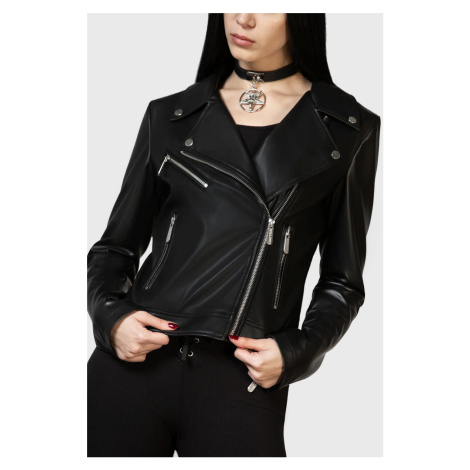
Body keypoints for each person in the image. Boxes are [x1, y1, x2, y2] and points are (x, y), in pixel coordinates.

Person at [87, 13, 381, 457]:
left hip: (241, 378)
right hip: (133, 366)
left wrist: (298, 352)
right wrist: (112, 318)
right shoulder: (171, 115)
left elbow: (343, 282)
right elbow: (115, 248)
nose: (243, 17)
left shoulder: (348, 128)